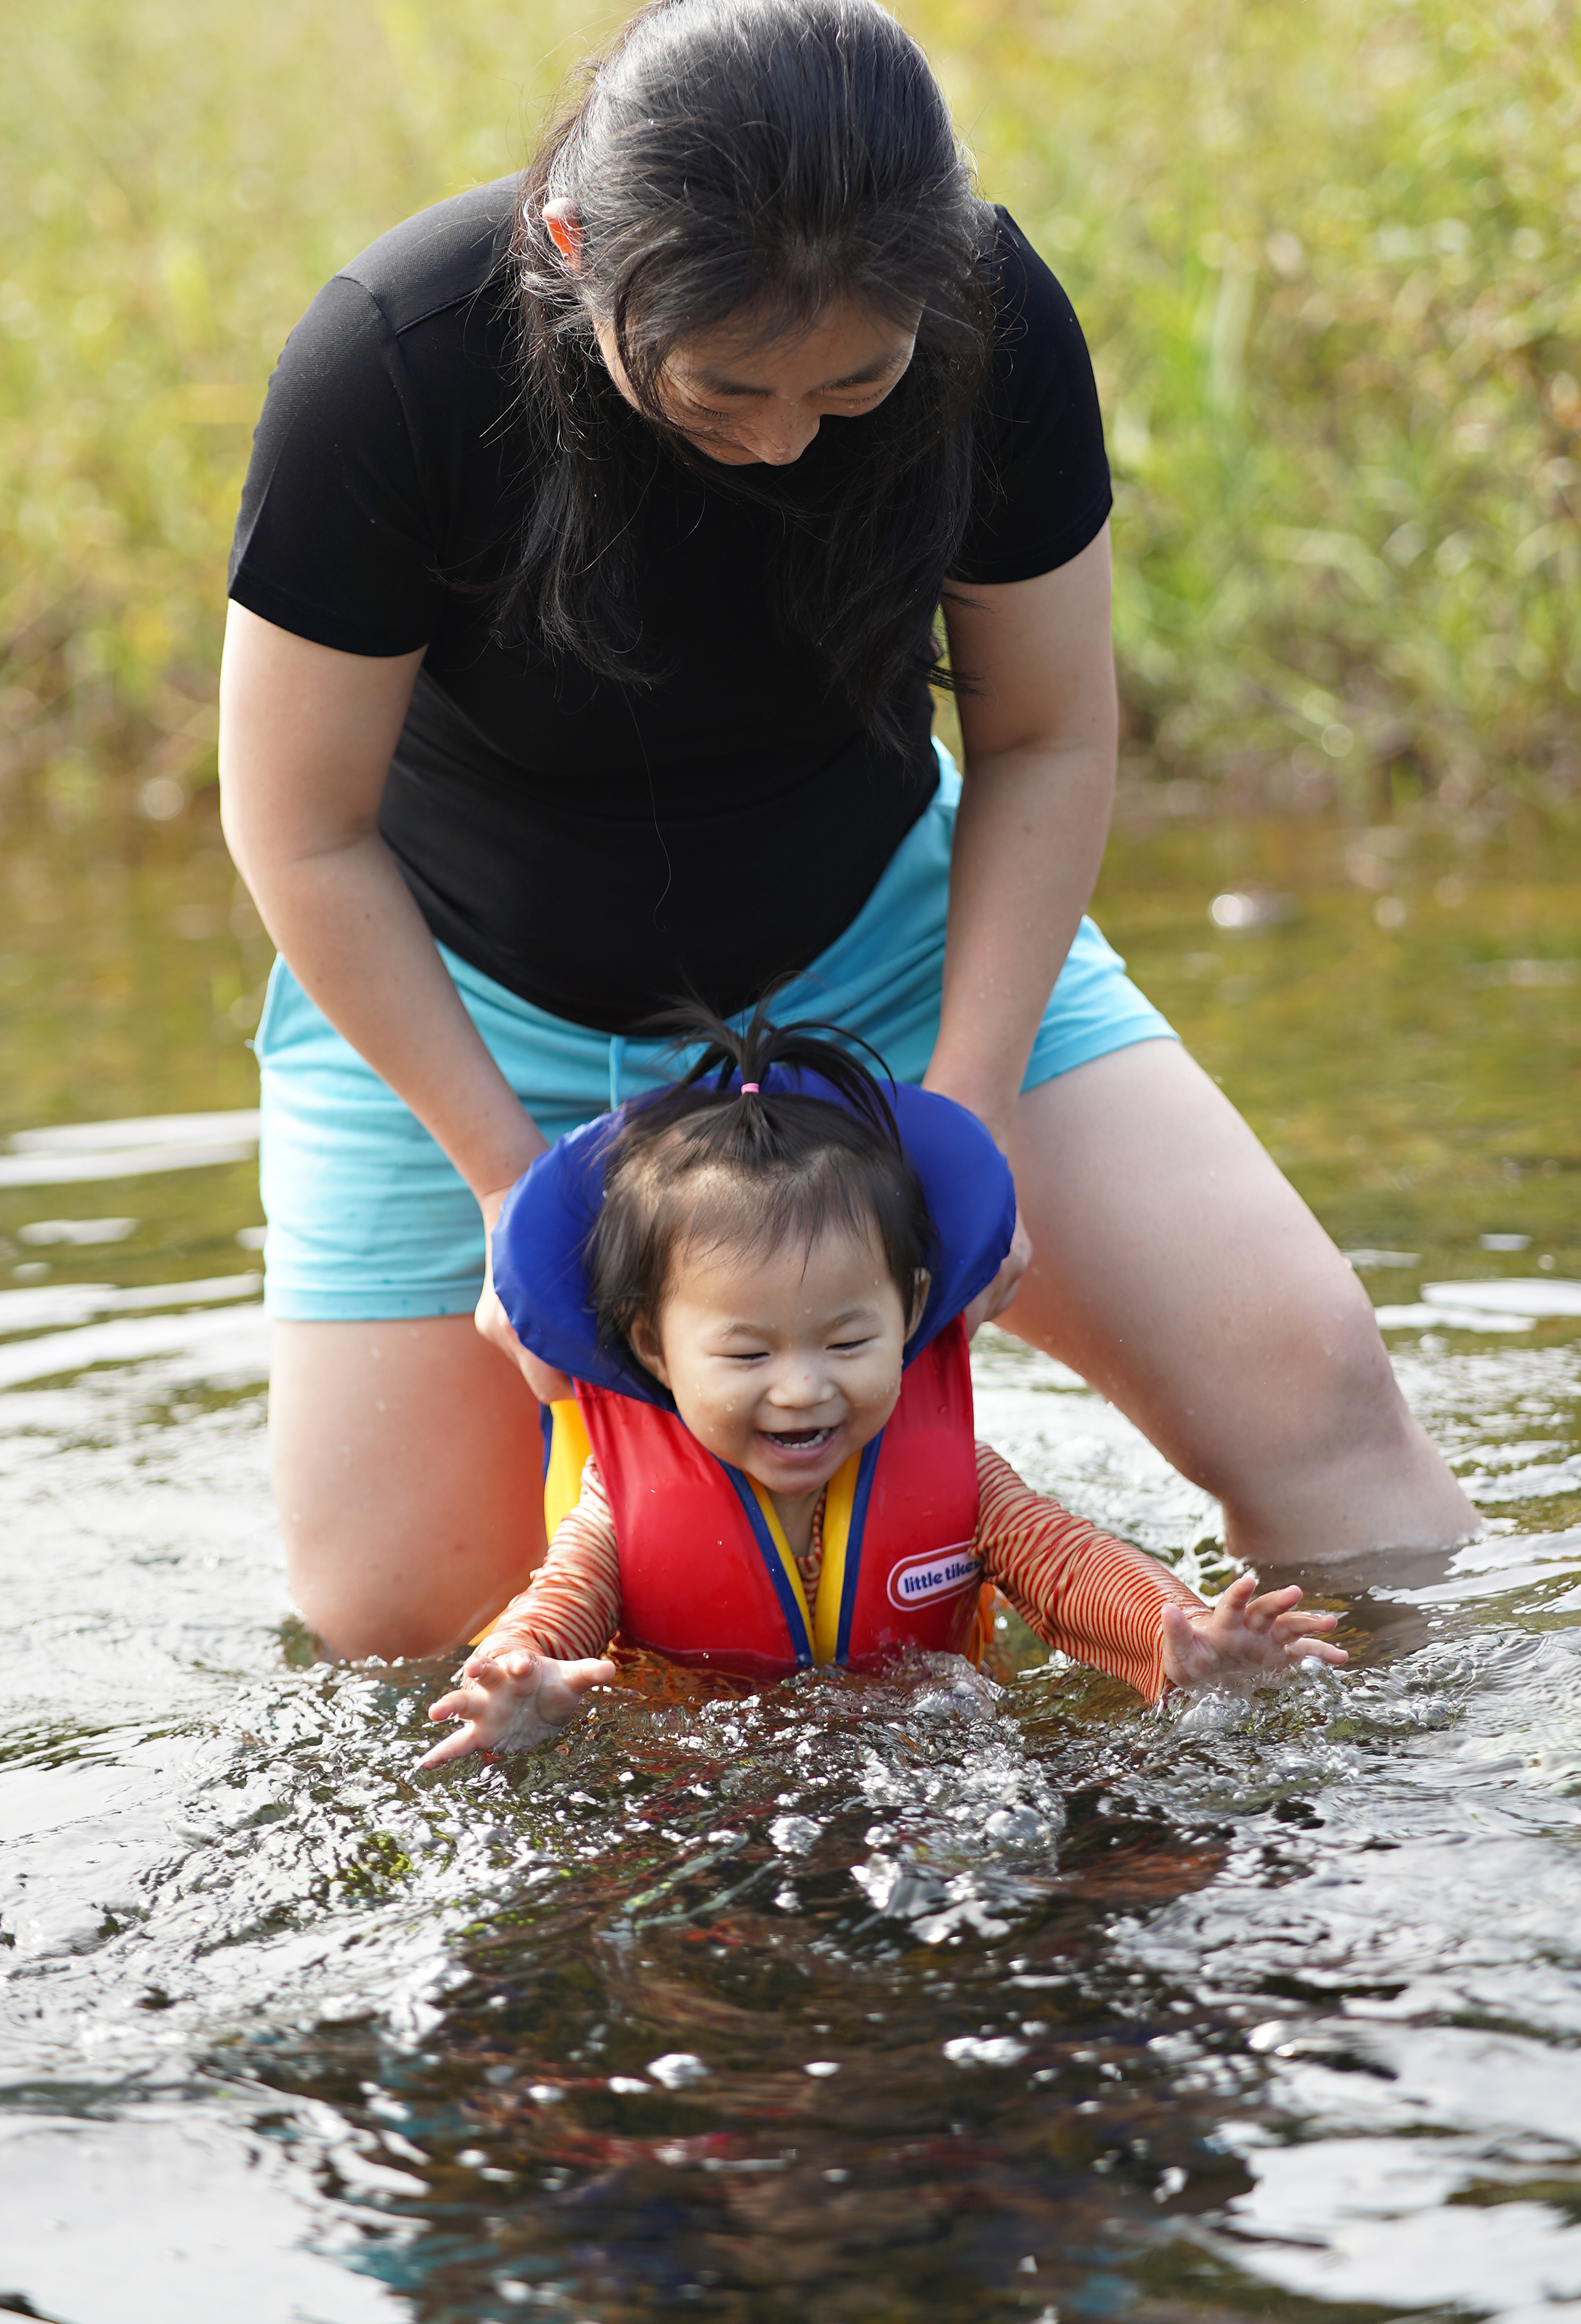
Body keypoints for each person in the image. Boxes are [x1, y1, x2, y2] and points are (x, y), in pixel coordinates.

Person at [218, 0, 1474, 1664]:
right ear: (580, 253)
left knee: (1315, 1392)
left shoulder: (993, 322)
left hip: (882, 936)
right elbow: (300, 829)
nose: (787, 439)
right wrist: (510, 1184)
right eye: (723, 388)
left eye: (854, 384)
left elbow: (1044, 734)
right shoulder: (397, 363)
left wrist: (968, 1113)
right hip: (465, 994)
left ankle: (1375, 1785)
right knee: (402, 1627)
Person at [418, 1008, 1345, 1766]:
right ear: (653, 1349)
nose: (802, 1388)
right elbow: (560, 1604)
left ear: (910, 1314)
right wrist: (519, 1674)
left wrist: (1176, 1631)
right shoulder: (618, 1506)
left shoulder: (967, 1484)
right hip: (696, 1782)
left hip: (929, 1765)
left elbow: (1073, 1569)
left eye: (848, 1340)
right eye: (747, 1356)